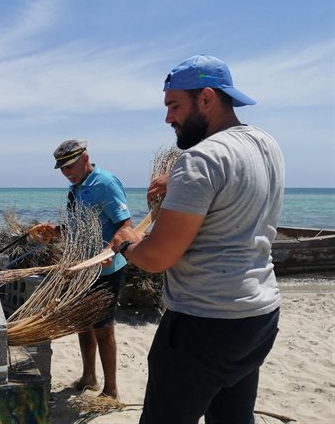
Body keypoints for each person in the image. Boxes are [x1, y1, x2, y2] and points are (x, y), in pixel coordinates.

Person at [110, 54, 285, 423]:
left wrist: (125, 241)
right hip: (257, 316)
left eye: (174, 105)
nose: (168, 118)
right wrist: (176, 180)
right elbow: (234, 181)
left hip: (203, 324)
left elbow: (158, 258)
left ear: (206, 98)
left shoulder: (200, 160)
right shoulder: (265, 143)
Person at [33, 139, 132, 399]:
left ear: (85, 159)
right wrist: (56, 231)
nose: (66, 172)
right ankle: (89, 377)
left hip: (107, 270)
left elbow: (126, 225)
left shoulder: (105, 183)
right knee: (82, 323)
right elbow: (81, 227)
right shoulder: (76, 188)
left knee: (103, 327)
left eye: (70, 166)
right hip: (82, 269)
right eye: (62, 168)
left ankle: (111, 390)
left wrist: (109, 250)